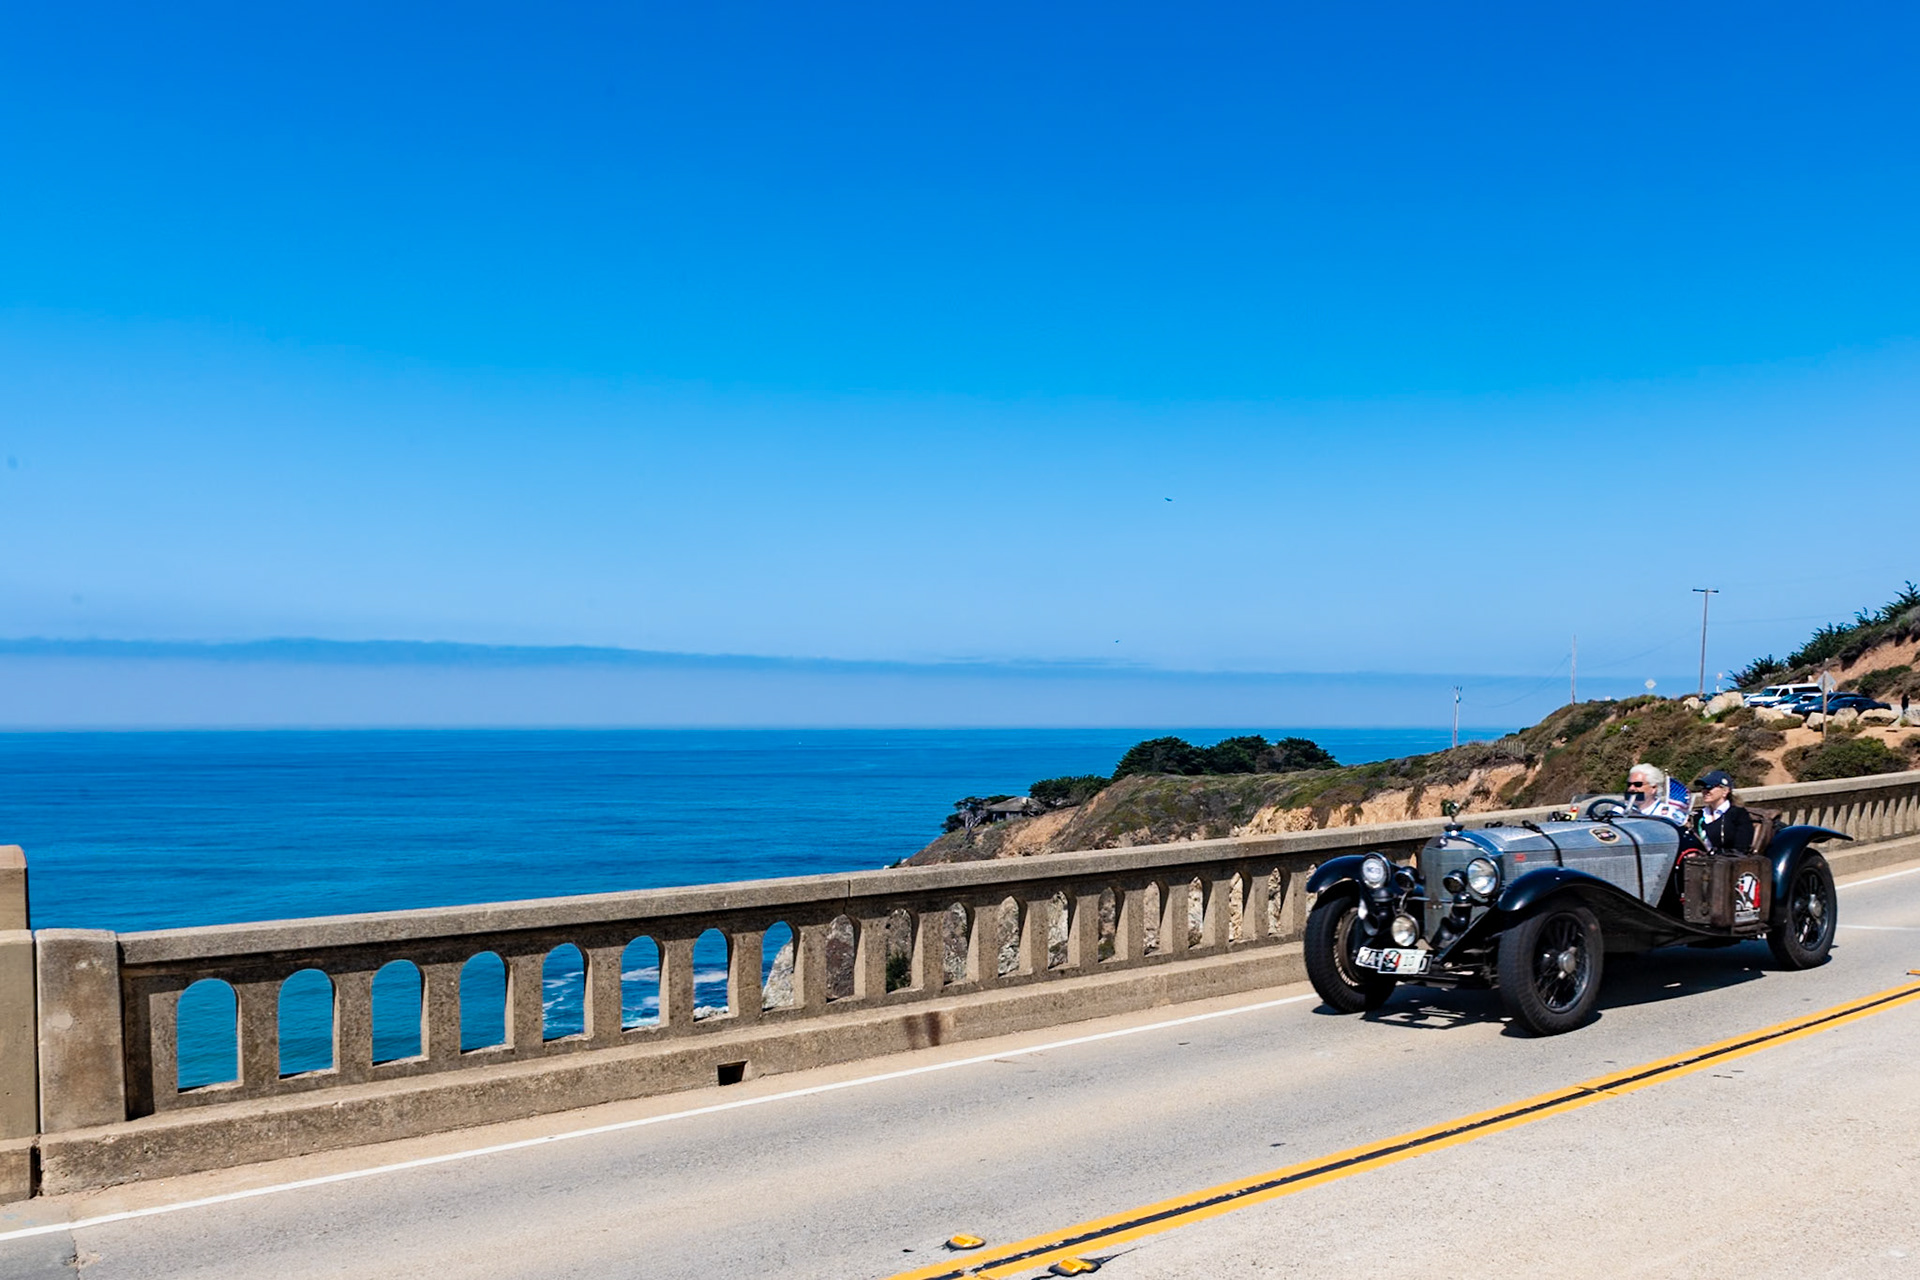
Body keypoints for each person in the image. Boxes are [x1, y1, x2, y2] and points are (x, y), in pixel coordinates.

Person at [1691, 770, 1756, 854]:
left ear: (1725, 791)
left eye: (1710, 787)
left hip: (1728, 864)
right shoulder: (1698, 816)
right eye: (1703, 787)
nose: (1705, 791)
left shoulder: (1738, 814)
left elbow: (1741, 848)